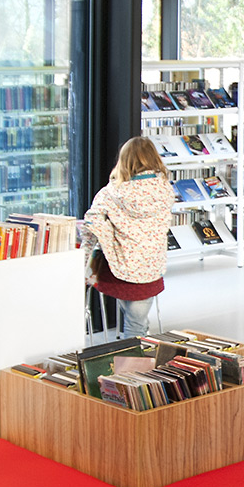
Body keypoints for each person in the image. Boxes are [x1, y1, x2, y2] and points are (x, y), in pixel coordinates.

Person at [81, 135, 174, 339]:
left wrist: (83, 259)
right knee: (137, 320)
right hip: (152, 268)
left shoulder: (110, 193)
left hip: (118, 270)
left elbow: (91, 225)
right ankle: (139, 345)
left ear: (124, 161)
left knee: (134, 322)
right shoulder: (166, 190)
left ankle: (132, 355)